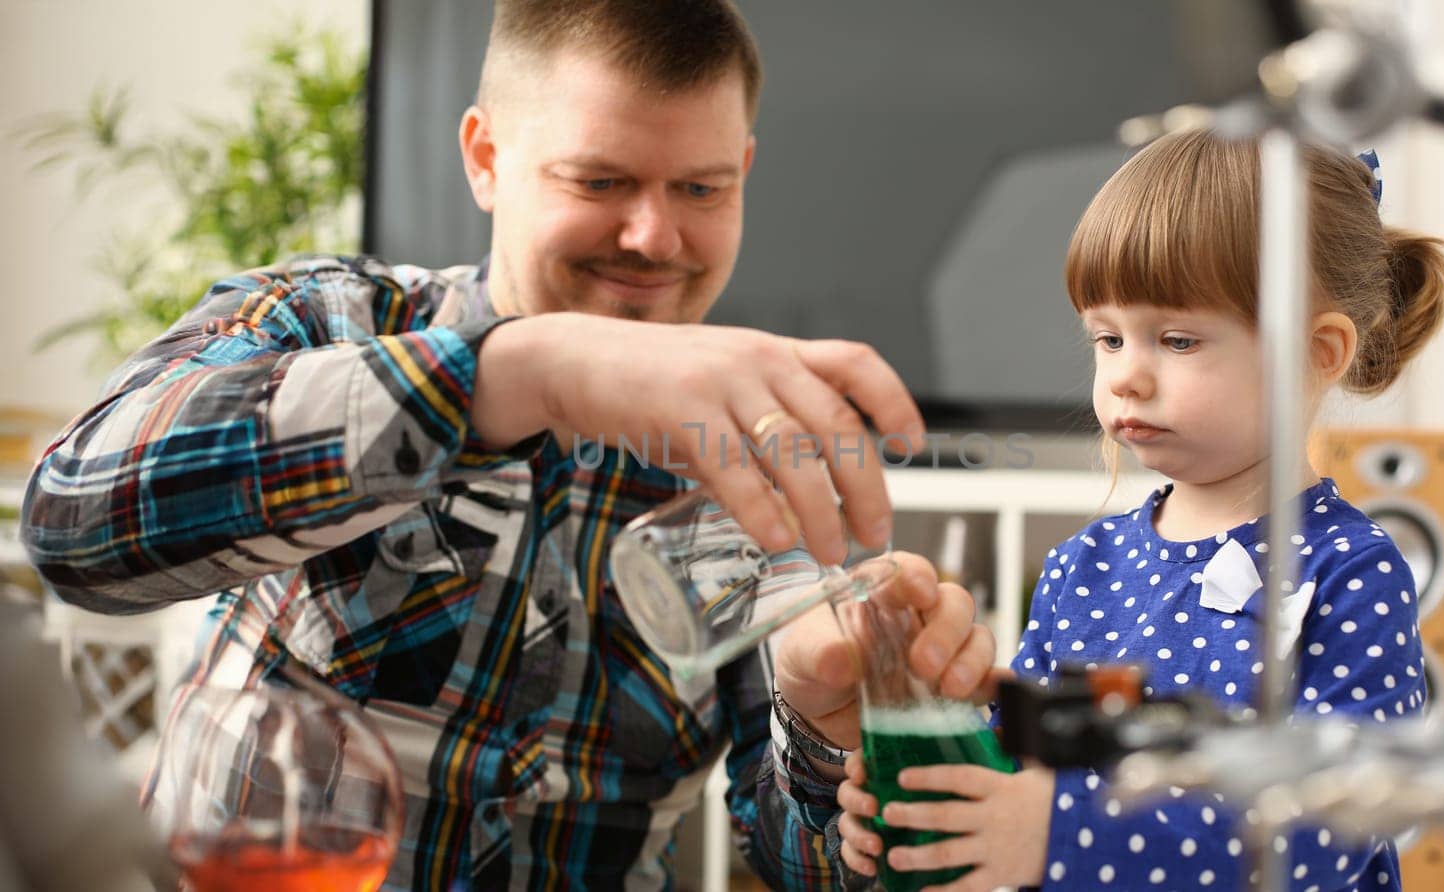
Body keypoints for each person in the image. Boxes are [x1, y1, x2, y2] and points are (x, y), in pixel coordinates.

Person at [20, 1, 999, 888]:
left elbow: (804, 862)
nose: (654, 236)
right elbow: (72, 526)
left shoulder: (758, 452)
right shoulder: (325, 318)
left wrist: (825, 735)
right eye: (600, 179)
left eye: (699, 188)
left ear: (742, 171)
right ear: (485, 158)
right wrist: (528, 371)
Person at [835, 127, 1444, 890]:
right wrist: (929, 795)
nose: (1126, 376)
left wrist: (1065, 835)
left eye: (1177, 339)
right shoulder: (1082, 567)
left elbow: (1341, 819)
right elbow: (1018, 755)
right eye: (1106, 338)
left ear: (1318, 353)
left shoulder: (1352, 571)